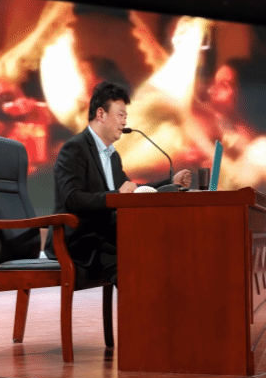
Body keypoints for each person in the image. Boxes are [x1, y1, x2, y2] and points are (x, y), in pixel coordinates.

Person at [44, 81, 191, 288]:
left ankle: (163, 306)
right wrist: (115, 195)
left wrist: (170, 182)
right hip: (80, 241)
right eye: (120, 115)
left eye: (125, 116)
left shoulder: (112, 156)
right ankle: (143, 308)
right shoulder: (74, 149)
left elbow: (132, 190)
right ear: (101, 114)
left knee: (157, 246)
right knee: (134, 261)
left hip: (105, 236)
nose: (124, 122)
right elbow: (72, 199)